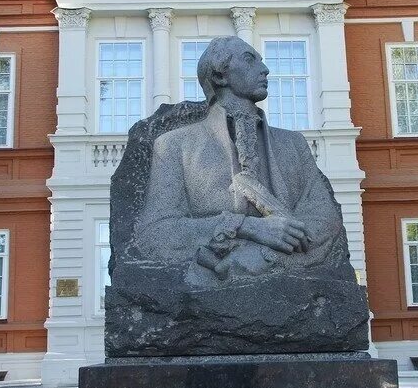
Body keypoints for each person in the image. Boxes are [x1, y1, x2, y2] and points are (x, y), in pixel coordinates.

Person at [133, 36, 352, 287]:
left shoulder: (293, 144)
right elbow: (155, 233)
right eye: (250, 60)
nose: (265, 69)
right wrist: (245, 227)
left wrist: (264, 256)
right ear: (220, 77)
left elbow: (325, 216)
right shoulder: (174, 145)